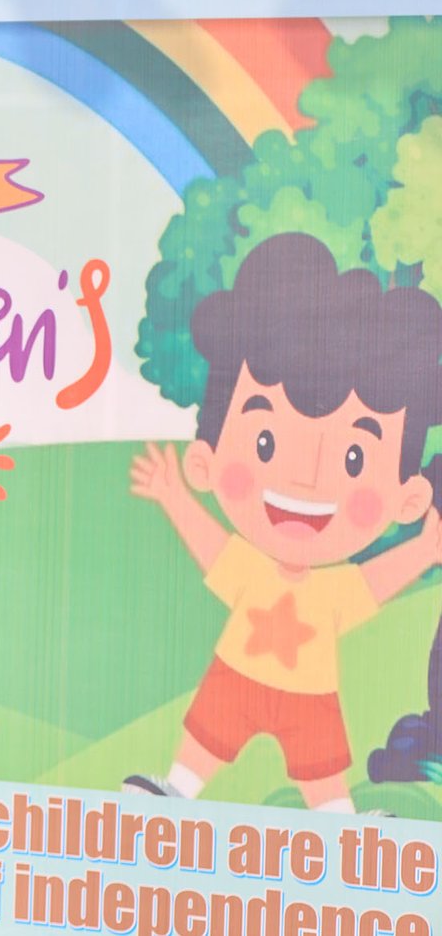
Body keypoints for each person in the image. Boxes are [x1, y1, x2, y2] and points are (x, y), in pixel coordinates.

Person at [123, 232, 442, 814]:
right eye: (265, 442)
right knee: (207, 735)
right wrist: (173, 496)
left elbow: (373, 583)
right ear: (207, 458)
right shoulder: (251, 567)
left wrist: (423, 551)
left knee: (321, 762)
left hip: (310, 693)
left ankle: (339, 824)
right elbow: (212, 547)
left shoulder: (332, 589)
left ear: (408, 497)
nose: (304, 479)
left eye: (353, 458)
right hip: (237, 673)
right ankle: (178, 789)